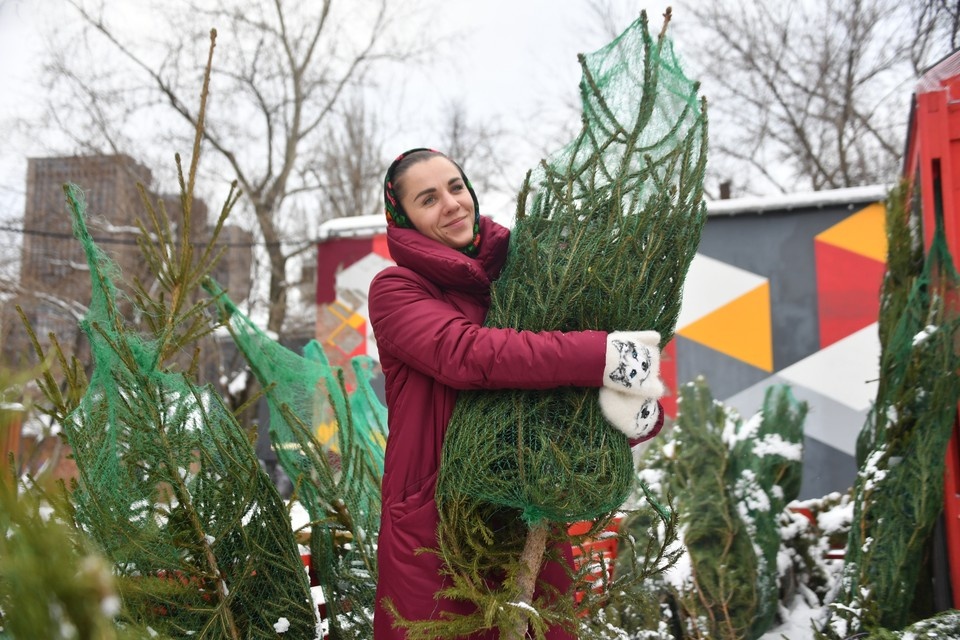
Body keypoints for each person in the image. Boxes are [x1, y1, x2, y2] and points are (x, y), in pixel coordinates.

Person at [368, 148, 666, 639]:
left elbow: (556, 405)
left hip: (530, 520)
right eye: (428, 199)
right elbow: (468, 355)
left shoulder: (525, 283)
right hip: (438, 526)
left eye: (455, 187)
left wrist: (633, 412)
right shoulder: (398, 289)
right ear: (405, 221)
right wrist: (603, 356)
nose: (451, 204)